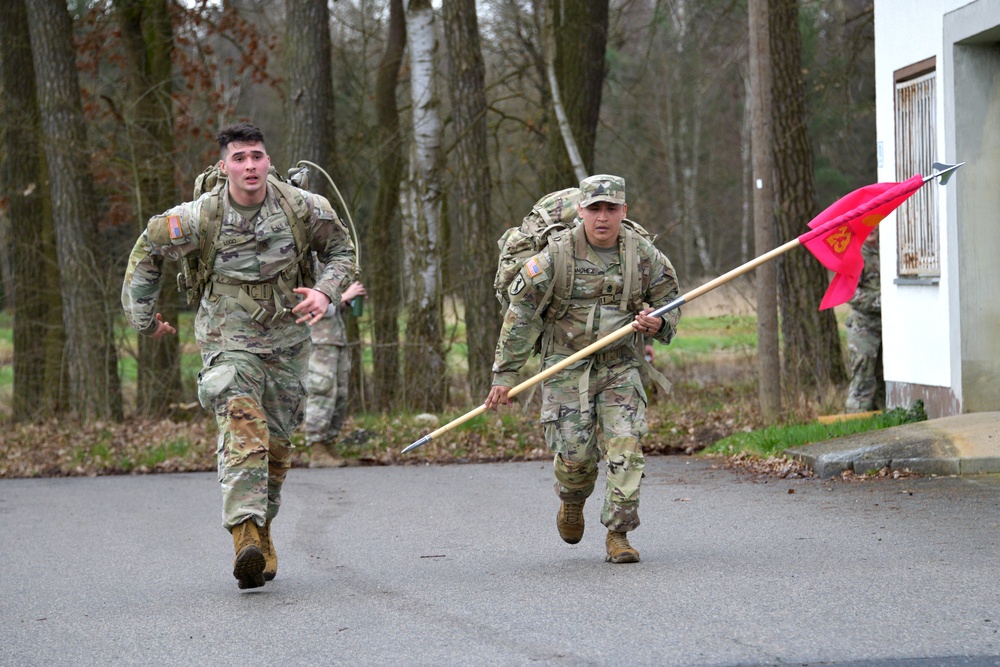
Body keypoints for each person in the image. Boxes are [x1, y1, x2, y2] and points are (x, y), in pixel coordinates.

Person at [122, 122, 357, 590]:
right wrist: (144, 318)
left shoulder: (303, 207)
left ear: (268, 160)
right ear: (225, 165)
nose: (249, 165)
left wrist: (327, 293)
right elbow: (148, 247)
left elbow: (342, 252)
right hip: (227, 337)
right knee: (242, 421)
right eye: (240, 158)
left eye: (256, 156)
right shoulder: (197, 217)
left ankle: (262, 527)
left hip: (289, 341)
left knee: (279, 442)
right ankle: (244, 532)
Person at [484, 174, 680, 564]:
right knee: (576, 458)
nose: (602, 217)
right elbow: (521, 316)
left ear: (624, 211)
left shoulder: (642, 255)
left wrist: (658, 323)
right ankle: (572, 500)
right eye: (595, 209)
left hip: (620, 365)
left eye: (611, 209)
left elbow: (669, 302)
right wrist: (505, 377)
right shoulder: (554, 256)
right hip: (564, 364)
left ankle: (618, 534)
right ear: (581, 211)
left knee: (626, 448)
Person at [306, 279, 366, 467]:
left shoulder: (328, 269)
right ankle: (316, 449)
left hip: (335, 341)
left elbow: (329, 308)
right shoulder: (306, 267)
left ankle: (328, 444)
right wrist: (344, 295)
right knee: (321, 392)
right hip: (319, 342)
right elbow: (311, 308)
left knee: (339, 395)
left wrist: (345, 302)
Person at [845, 230, 885, 413]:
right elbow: (849, 292)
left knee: (884, 380)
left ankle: (884, 426)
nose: (871, 230)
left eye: (875, 224)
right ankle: (855, 426)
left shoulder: (887, 251)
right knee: (863, 379)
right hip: (863, 330)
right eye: (866, 226)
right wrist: (880, 300)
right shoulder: (855, 255)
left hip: (887, 327)